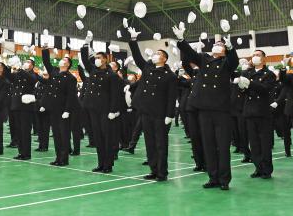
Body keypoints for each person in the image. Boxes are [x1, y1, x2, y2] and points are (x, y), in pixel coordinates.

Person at [174, 24, 238, 191]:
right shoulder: (203, 59)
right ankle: (213, 177)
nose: (217, 45)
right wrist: (182, 40)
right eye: (216, 44)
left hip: (222, 110)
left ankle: (224, 179)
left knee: (223, 147)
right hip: (204, 109)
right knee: (208, 145)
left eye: (221, 45)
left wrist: (231, 49)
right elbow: (190, 55)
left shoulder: (227, 63)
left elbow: (234, 62)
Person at [127, 28, 178, 181]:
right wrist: (133, 40)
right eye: (155, 54)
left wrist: (170, 115)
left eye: (158, 54)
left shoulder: (170, 76)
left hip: (160, 114)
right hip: (146, 112)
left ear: (164, 59)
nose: (155, 56)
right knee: (149, 143)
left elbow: (171, 97)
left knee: (161, 144)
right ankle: (153, 170)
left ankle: (162, 173)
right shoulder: (148, 68)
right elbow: (137, 58)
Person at [80, 44, 120, 173]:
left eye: (99, 57)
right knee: (98, 137)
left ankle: (108, 164)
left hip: (105, 110)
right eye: (95, 57)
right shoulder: (93, 70)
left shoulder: (111, 75)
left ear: (105, 59)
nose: (96, 59)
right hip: (93, 108)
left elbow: (115, 94)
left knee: (107, 137)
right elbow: (85, 60)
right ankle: (100, 163)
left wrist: (113, 111)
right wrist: (86, 45)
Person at [237, 50, 276, 179]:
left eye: (258, 55)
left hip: (263, 112)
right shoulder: (247, 72)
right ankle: (258, 167)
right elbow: (242, 91)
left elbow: (265, 89)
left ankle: (267, 170)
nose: (255, 57)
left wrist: (250, 83)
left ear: (264, 59)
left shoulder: (269, 74)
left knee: (264, 143)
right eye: (253, 55)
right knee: (253, 144)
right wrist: (242, 87)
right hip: (249, 111)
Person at [39, 48, 78, 166]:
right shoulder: (55, 72)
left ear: (68, 64)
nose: (62, 60)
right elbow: (46, 61)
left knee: (64, 135)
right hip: (53, 109)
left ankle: (64, 159)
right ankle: (58, 157)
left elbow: (71, 96)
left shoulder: (71, 78)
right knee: (56, 135)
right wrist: (45, 48)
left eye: (65, 59)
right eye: (62, 59)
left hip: (63, 110)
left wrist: (67, 110)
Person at [6, 53, 38, 160]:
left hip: (26, 107)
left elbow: (32, 80)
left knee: (25, 131)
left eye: (28, 62)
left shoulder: (33, 74)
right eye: (25, 61)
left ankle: (26, 153)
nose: (26, 63)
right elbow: (9, 76)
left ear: (32, 66)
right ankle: (21, 152)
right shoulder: (18, 73)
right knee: (18, 130)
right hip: (16, 105)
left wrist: (21, 70)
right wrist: (8, 65)